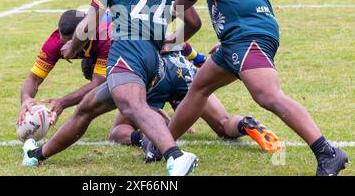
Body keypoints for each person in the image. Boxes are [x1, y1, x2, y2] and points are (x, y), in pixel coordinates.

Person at [164, 0, 349, 176]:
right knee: (199, 88)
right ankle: (161, 144)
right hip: (249, 31)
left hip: (245, 31)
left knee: (267, 95)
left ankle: (327, 152)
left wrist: (167, 16)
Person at [21, 0, 202, 176]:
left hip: (127, 50)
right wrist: (167, 43)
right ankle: (36, 155)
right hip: (152, 58)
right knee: (87, 109)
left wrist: (72, 46)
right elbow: (193, 22)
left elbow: (91, 20)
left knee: (133, 107)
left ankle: (176, 157)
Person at [106, 44, 281, 156]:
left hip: (158, 74)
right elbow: (184, 46)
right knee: (223, 124)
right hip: (185, 71)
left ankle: (145, 137)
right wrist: (203, 60)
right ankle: (244, 123)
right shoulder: (166, 18)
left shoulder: (131, 29)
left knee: (119, 129)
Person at [18, 10, 111, 126]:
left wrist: (62, 102)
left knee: (113, 80)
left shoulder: (105, 36)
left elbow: (99, 83)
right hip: (96, 49)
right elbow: (33, 79)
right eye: (64, 41)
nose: (67, 46)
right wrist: (26, 99)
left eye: (73, 41)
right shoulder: (55, 43)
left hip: (129, 42)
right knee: (89, 69)